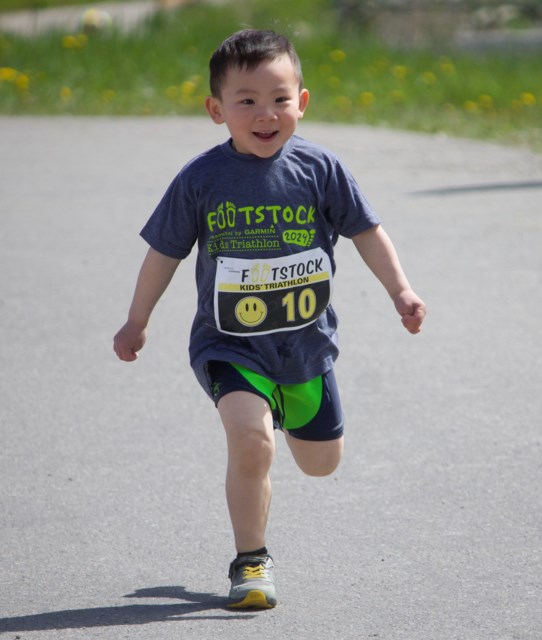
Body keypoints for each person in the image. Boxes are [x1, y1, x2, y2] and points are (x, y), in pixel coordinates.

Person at [113, 28, 426, 610]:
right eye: (247, 101)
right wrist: (137, 320)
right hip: (229, 346)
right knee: (252, 442)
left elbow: (366, 231)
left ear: (302, 102)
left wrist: (400, 291)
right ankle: (250, 562)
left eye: (280, 99)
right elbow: (164, 252)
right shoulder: (200, 180)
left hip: (304, 349)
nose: (265, 114)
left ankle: (285, 406)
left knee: (321, 463)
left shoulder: (320, 168)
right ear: (216, 110)